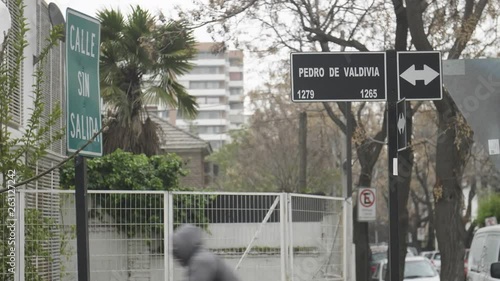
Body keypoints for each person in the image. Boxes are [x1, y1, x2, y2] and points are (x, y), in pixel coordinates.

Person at [172, 224, 241, 281]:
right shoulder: (199, 259)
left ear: (186, 244)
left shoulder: (202, 261)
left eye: (177, 247)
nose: (175, 254)